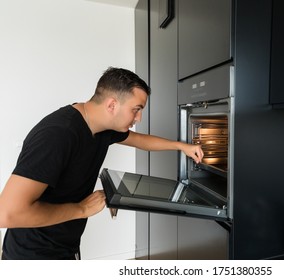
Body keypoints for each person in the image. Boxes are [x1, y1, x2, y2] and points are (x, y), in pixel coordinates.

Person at [0, 67, 204, 260]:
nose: (139, 118)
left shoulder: (103, 128)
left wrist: (181, 146)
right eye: (136, 109)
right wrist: (81, 209)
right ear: (112, 105)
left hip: (64, 245)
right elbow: (7, 213)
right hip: (32, 255)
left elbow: (141, 141)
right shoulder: (57, 134)